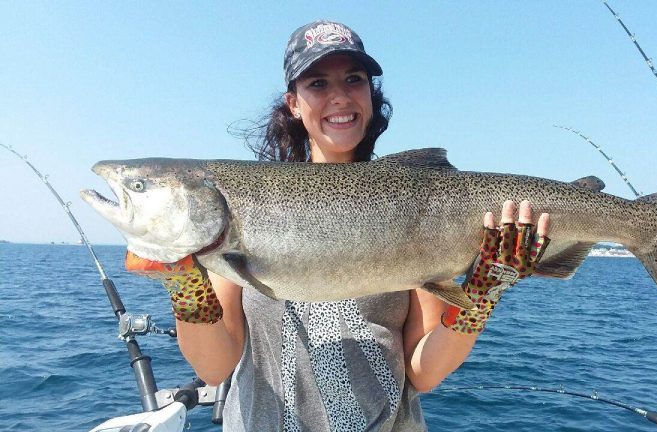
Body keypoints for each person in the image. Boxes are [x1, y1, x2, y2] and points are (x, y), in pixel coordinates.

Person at [167, 21, 551, 431]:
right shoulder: (245, 205)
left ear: (371, 94)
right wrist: (185, 287)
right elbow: (214, 368)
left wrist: (484, 293)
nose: (339, 96)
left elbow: (424, 371)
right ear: (293, 103)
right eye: (317, 83)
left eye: (354, 79)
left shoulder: (408, 203)